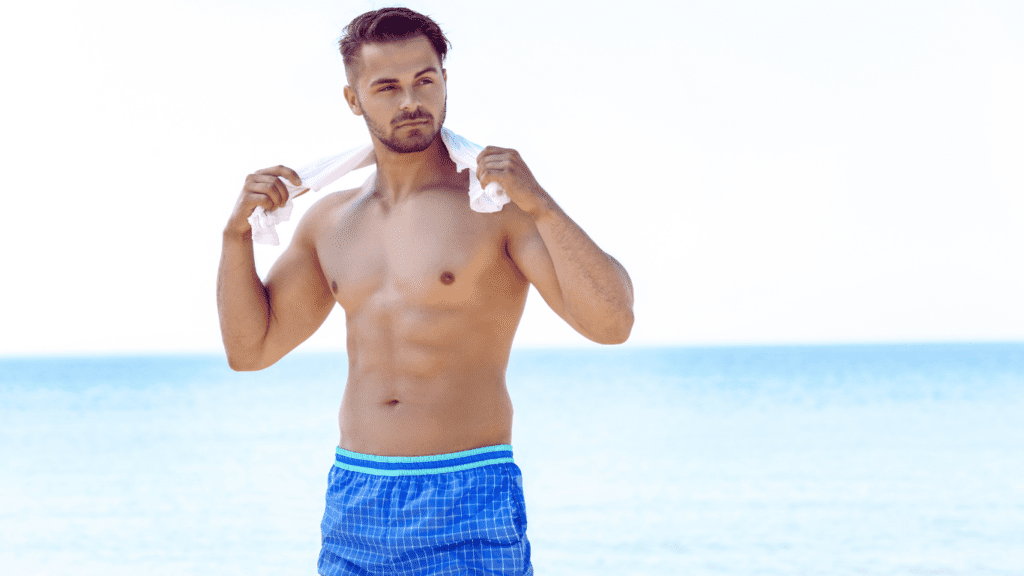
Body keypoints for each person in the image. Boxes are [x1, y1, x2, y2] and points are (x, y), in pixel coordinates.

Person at [216, 7, 634, 575]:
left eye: (425, 80)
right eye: (387, 86)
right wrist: (235, 236)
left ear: (443, 81)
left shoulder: (494, 207)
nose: (411, 100)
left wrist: (540, 202)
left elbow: (612, 323)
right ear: (353, 99)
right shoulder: (330, 221)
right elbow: (251, 350)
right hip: (356, 497)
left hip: (468, 491)